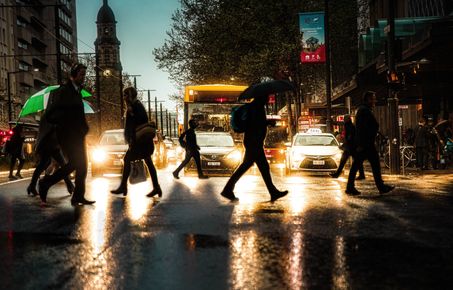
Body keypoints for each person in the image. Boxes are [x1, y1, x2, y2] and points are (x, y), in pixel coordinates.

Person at [38, 63, 95, 205]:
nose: (83, 77)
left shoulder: (77, 91)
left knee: (83, 166)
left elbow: (78, 114)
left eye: (84, 74)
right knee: (76, 163)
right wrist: (62, 125)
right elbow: (50, 113)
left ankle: (78, 196)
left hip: (78, 135)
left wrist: (84, 129)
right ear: (73, 75)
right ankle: (46, 182)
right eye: (81, 74)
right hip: (68, 136)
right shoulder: (65, 91)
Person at [220, 95, 288, 202]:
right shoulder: (256, 108)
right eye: (266, 97)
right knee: (249, 166)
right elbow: (255, 124)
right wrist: (268, 122)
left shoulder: (256, 107)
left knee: (261, 167)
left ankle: (272, 192)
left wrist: (266, 122)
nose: (267, 99)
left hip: (254, 142)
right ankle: (228, 189)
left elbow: (255, 123)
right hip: (254, 142)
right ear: (261, 98)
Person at [111, 86, 162, 198]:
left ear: (130, 96)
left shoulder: (136, 106)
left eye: (125, 95)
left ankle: (123, 186)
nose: (124, 97)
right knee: (148, 163)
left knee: (128, 159)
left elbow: (141, 122)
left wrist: (132, 114)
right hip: (142, 142)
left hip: (140, 142)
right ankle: (156, 188)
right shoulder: (134, 106)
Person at [345, 91, 394, 196]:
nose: (374, 101)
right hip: (366, 144)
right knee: (366, 165)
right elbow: (362, 129)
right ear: (367, 99)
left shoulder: (363, 110)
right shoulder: (364, 111)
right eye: (372, 99)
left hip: (365, 144)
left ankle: (351, 187)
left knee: (359, 165)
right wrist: (362, 144)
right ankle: (380, 187)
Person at [27, 112, 74, 196]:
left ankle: (69, 185)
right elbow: (48, 132)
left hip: (54, 145)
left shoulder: (51, 115)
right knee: (45, 164)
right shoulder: (49, 116)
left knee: (60, 165)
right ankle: (33, 186)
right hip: (47, 145)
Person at [330, 115, 365, 179]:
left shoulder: (349, 126)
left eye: (344, 119)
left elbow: (350, 137)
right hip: (351, 147)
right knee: (356, 161)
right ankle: (361, 174)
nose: (343, 120)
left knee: (344, 161)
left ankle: (337, 174)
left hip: (350, 147)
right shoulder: (349, 125)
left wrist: (343, 145)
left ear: (347, 119)